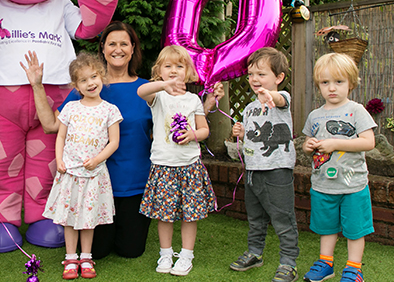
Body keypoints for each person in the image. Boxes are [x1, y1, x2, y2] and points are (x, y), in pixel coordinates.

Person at [22, 21, 223, 260]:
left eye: (124, 44)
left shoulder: (150, 89)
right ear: (103, 49)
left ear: (133, 49)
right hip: (93, 183)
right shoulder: (90, 87)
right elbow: (51, 125)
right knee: (97, 251)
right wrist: (36, 86)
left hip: (135, 184)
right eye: (112, 44)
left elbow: (177, 120)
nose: (118, 49)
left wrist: (206, 106)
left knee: (131, 250)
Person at [136, 45, 216, 276]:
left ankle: (186, 256)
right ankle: (166, 253)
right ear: (158, 70)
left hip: (190, 166)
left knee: (190, 215)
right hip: (163, 166)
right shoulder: (158, 96)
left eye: (179, 66)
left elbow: (204, 130)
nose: (173, 70)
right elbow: (141, 91)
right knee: (164, 214)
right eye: (167, 66)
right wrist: (164, 85)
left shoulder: (193, 100)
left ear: (188, 72)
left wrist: (193, 134)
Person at [42, 52, 122, 280]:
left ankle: (86, 257)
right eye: (83, 80)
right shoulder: (71, 108)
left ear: (102, 77)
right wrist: (59, 160)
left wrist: (97, 159)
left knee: (88, 218)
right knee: (70, 218)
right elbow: (60, 137)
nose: (90, 83)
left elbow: (114, 141)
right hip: (70, 174)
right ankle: (70, 258)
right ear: (76, 85)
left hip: (95, 175)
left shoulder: (110, 110)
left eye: (94, 76)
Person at [301, 53, 376, 282]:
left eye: (338, 82)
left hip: (352, 185)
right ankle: (326, 263)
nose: (331, 88)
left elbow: (368, 142)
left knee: (355, 229)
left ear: (351, 83)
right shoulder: (315, 115)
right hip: (323, 185)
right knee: (326, 227)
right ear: (318, 86)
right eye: (325, 83)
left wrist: (336, 144)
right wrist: (309, 146)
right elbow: (306, 145)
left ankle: (354, 268)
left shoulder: (356, 110)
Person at [228, 47, 299, 282]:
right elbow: (253, 136)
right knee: (255, 217)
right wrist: (240, 131)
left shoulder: (283, 98)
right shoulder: (249, 108)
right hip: (252, 171)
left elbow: (278, 100)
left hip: (276, 172)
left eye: (261, 74)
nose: (254, 79)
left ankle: (288, 262)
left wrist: (272, 96)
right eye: (251, 75)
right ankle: (255, 253)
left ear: (278, 78)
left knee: (283, 218)